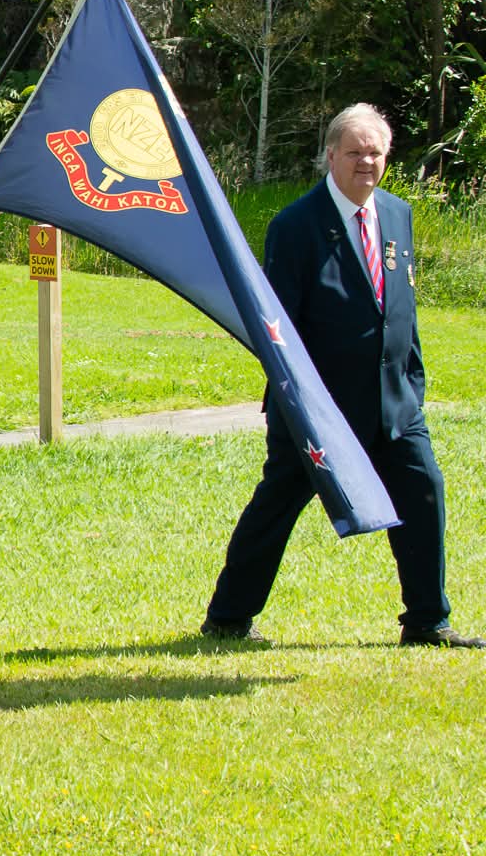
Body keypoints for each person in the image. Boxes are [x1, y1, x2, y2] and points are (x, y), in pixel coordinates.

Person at [205, 103, 482, 648]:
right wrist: (299, 403)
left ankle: (427, 621)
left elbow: (399, 306)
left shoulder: (397, 215)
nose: (366, 162)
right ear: (330, 155)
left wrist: (413, 382)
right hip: (316, 410)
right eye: (354, 151)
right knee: (277, 506)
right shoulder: (296, 226)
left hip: (393, 402)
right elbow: (275, 325)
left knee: (423, 493)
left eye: (375, 152)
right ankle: (228, 617)